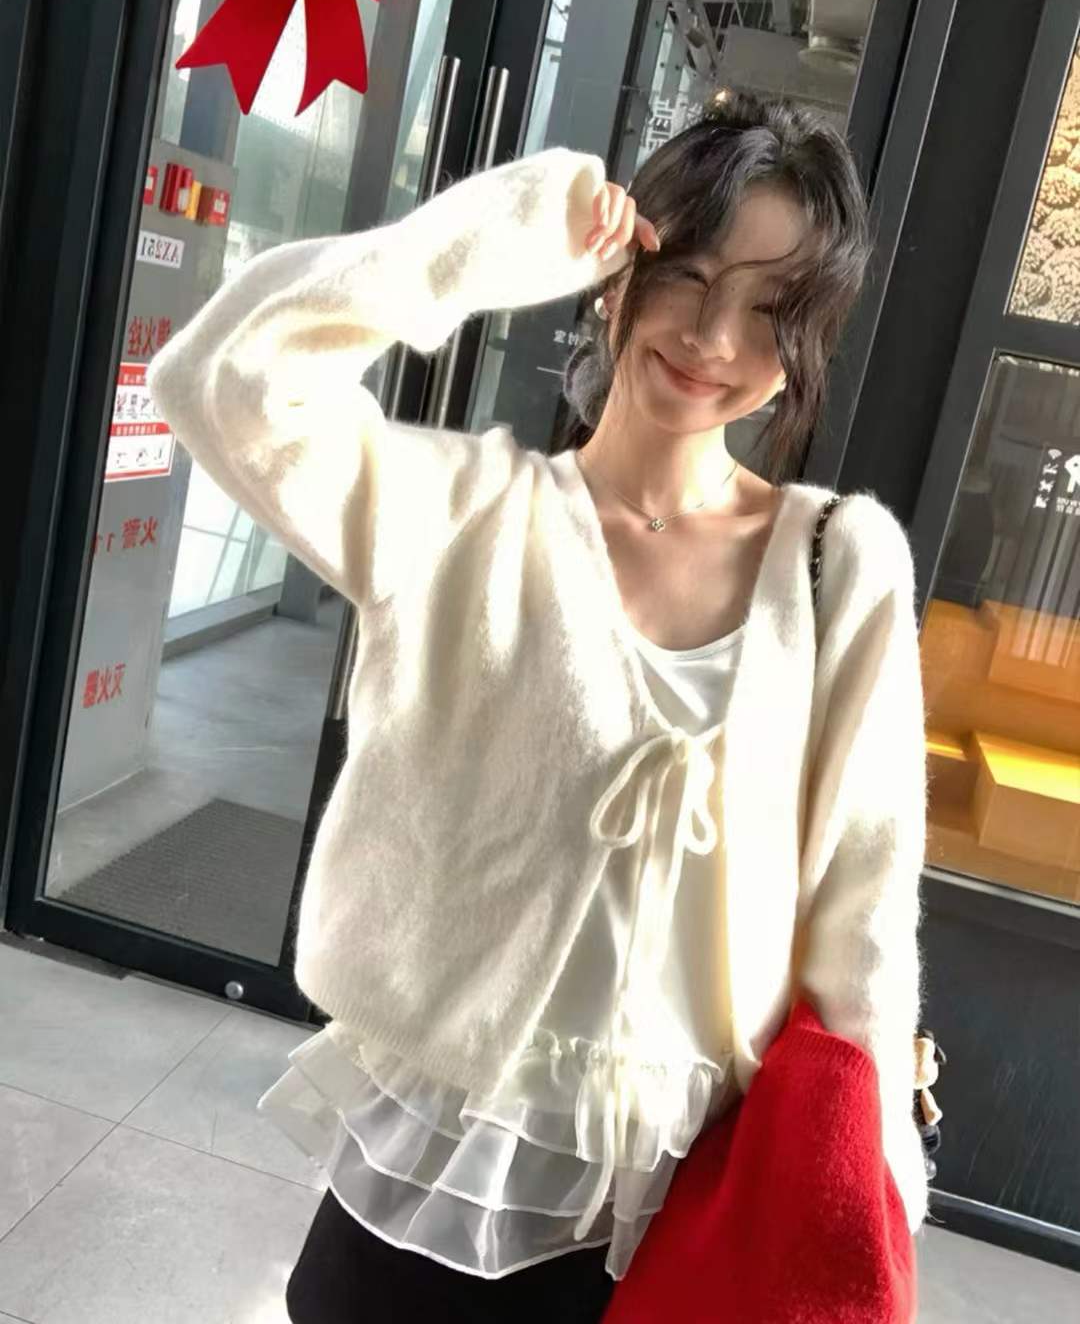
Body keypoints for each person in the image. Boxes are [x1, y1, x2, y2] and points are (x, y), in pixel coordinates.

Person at [147, 91, 929, 1323]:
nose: (714, 337)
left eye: (770, 309)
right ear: (622, 273)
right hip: (444, 1164)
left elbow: (861, 911)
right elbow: (221, 380)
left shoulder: (839, 565)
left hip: (678, 1206)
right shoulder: (465, 515)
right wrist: (487, 242)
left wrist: (869, 1181)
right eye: (690, 275)